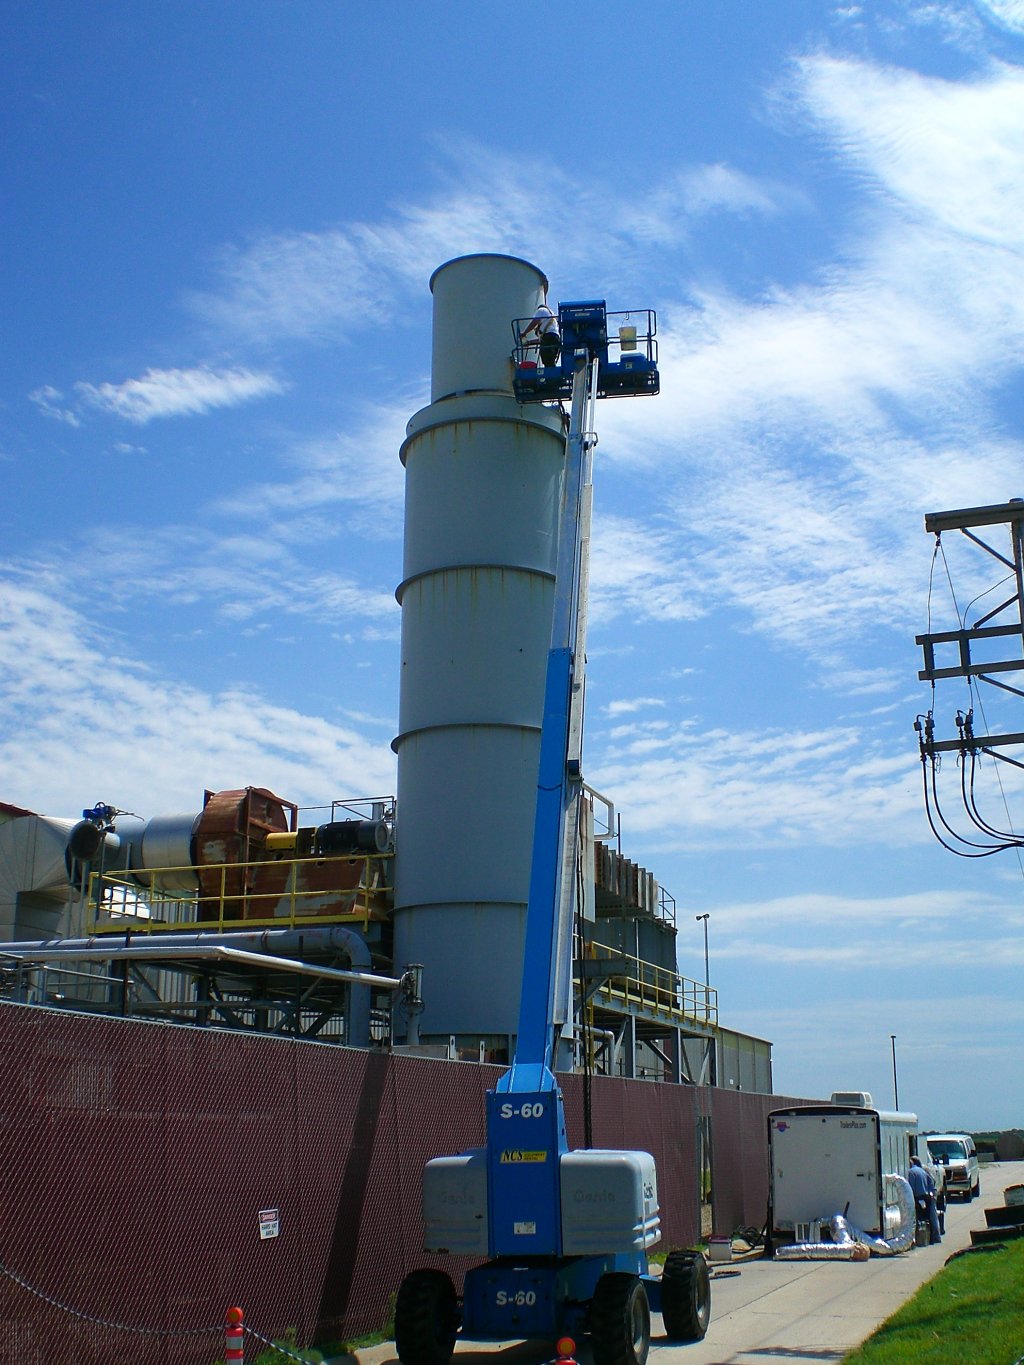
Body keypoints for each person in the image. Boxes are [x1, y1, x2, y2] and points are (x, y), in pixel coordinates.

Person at [908, 1156, 941, 1244]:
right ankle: (933, 1238)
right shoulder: (923, 1171)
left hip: (918, 1197)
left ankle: (918, 1239)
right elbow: (931, 1182)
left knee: (917, 1218)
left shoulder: (911, 1172)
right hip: (927, 1197)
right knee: (930, 1218)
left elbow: (911, 1187)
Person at [521, 296, 561, 368]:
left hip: (549, 338)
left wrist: (524, 333)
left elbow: (534, 322)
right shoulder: (552, 320)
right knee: (550, 359)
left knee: (547, 358)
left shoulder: (541, 310)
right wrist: (529, 342)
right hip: (556, 339)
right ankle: (552, 377)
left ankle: (552, 377)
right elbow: (541, 340)